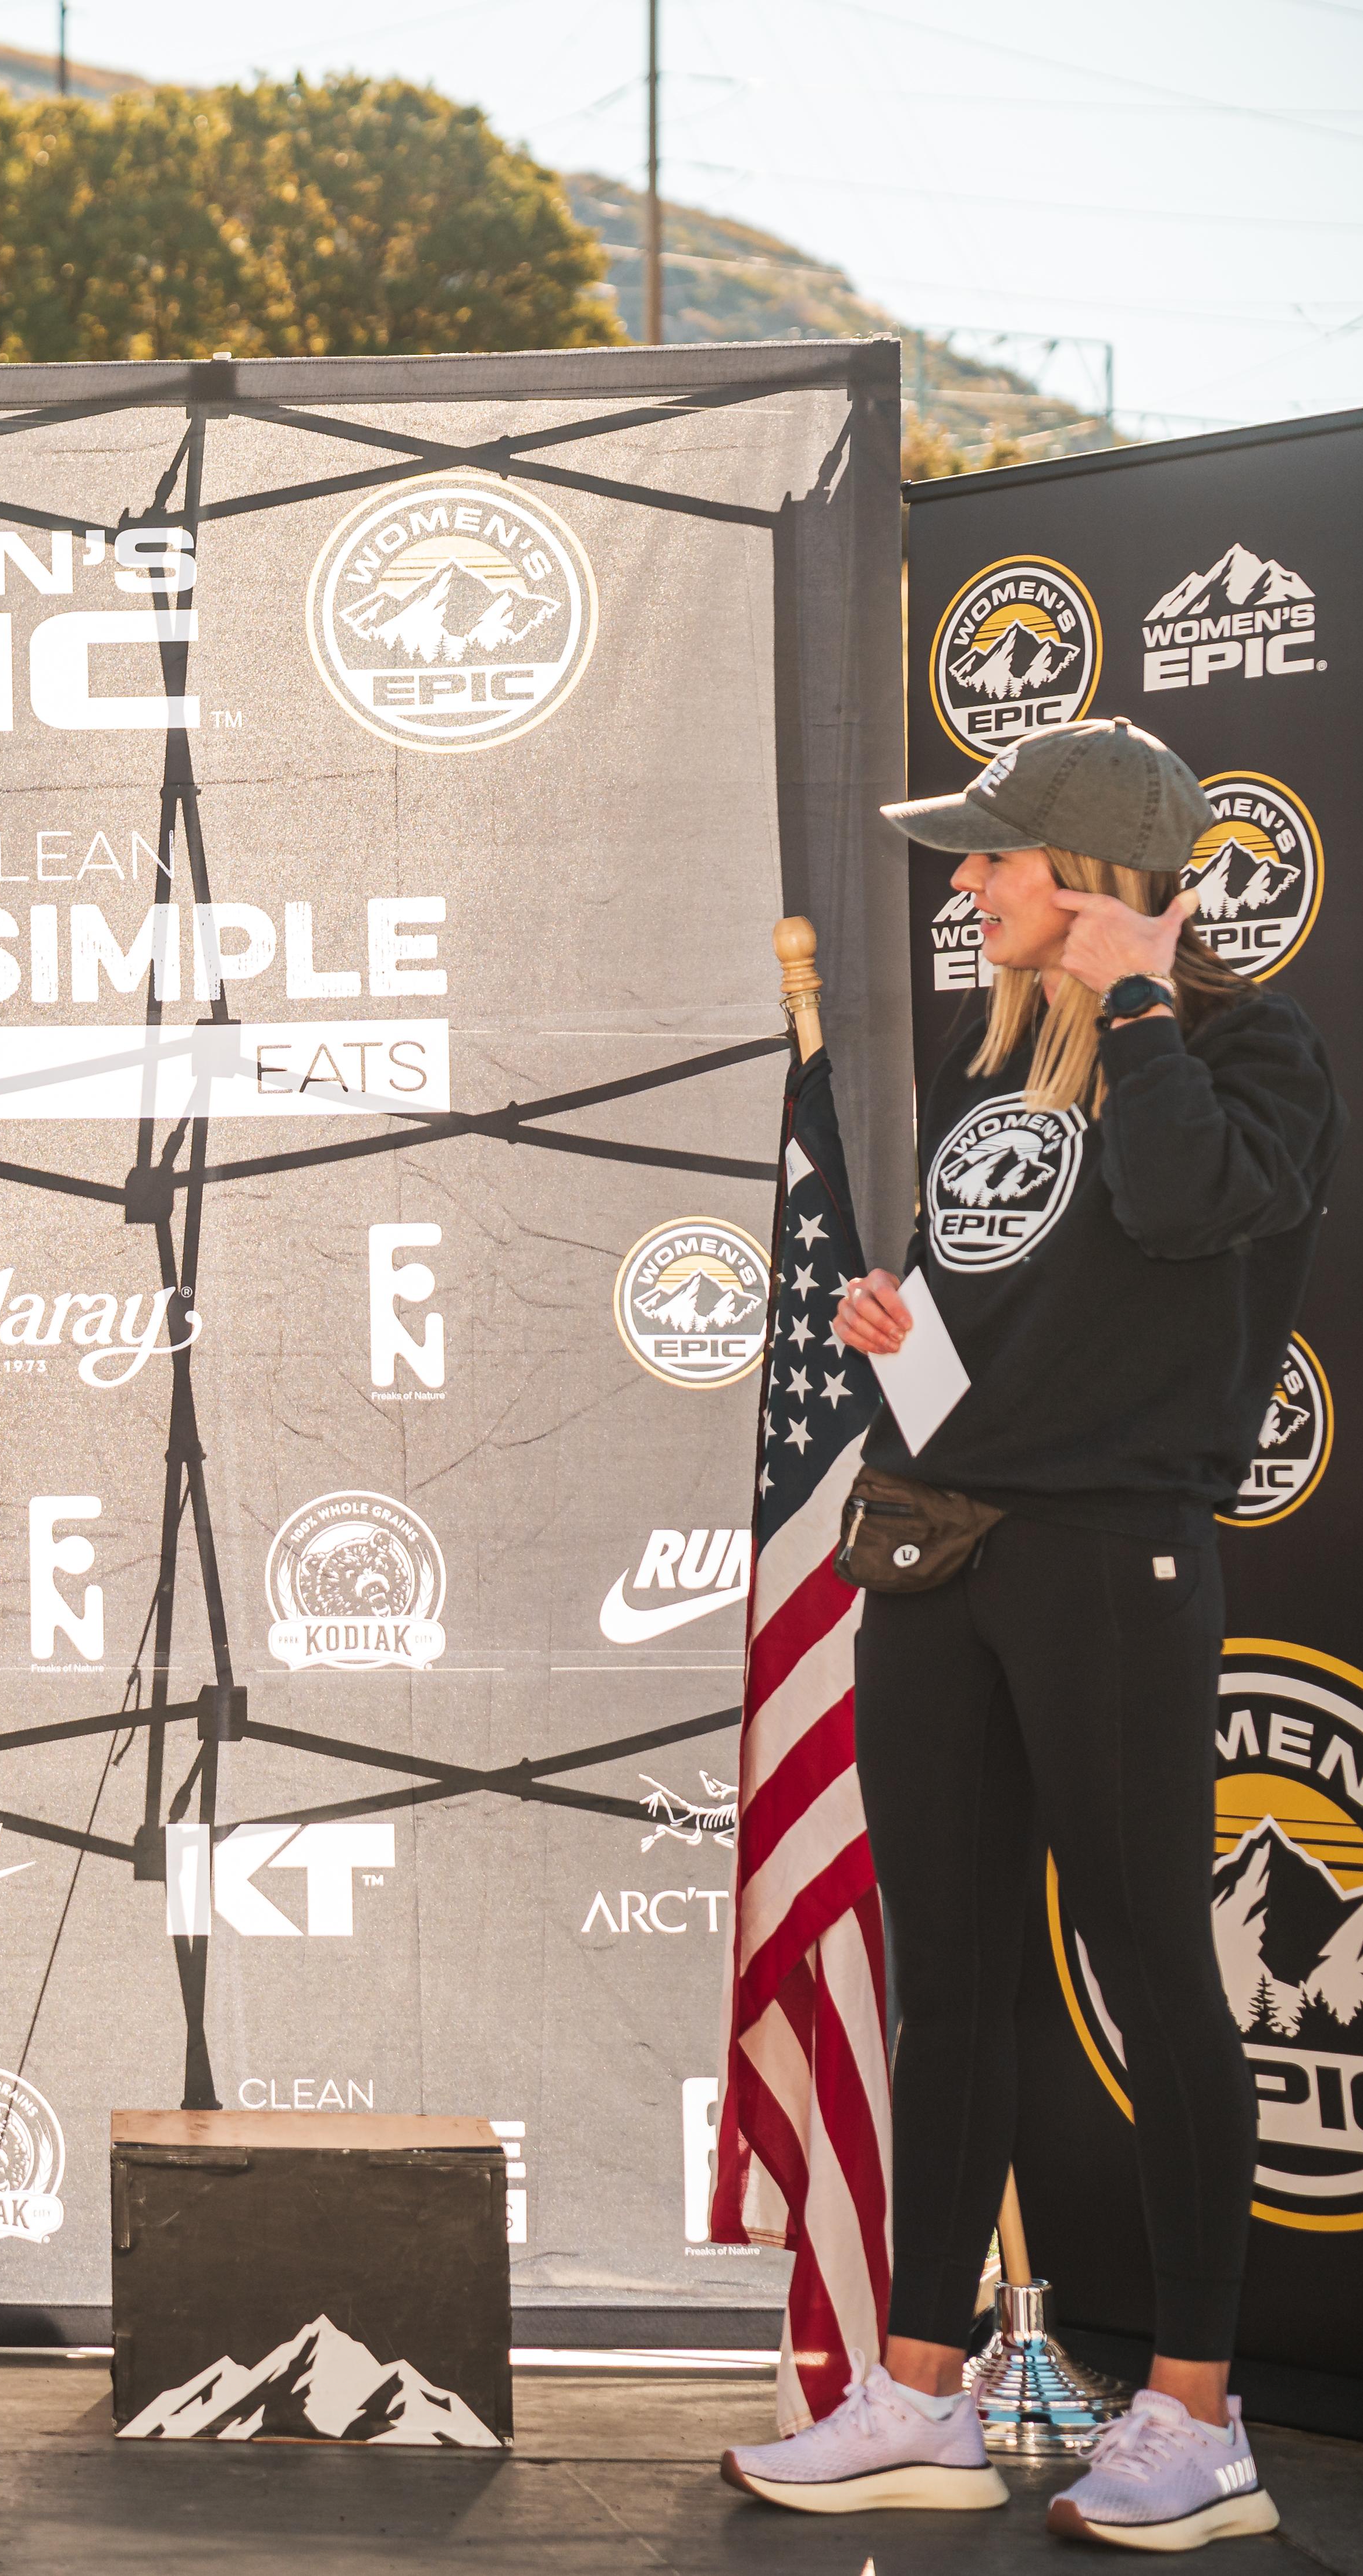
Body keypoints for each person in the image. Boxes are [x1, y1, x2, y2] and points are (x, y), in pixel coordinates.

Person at [721, 718, 1337, 2550]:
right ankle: (917, 2390)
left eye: (993, 854)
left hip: (1109, 1562)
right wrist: (900, 1334)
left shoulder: (1245, 1049)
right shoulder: (989, 1062)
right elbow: (1013, 1326)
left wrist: (1136, 1000)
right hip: (937, 1550)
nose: (965, 881)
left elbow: (1182, 1203)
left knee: (1154, 1967)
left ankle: (1196, 2418)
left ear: (1086, 872)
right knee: (955, 1980)